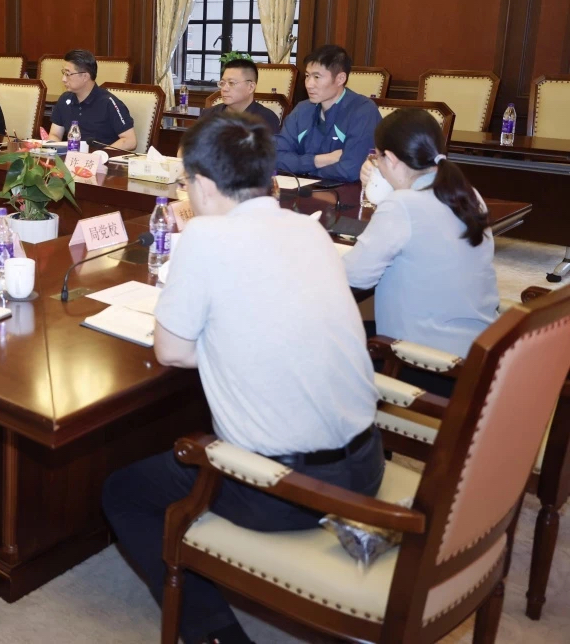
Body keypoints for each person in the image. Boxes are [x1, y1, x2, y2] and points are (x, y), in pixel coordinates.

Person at [102, 111, 381, 644]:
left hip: (283, 491)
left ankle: (215, 634)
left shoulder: (207, 238)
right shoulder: (310, 228)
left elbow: (172, 351)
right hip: (366, 465)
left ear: (202, 185)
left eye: (186, 181)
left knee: (123, 491)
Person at [345, 108, 497, 385]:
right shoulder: (468, 194)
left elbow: (355, 276)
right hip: (477, 354)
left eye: (377, 157)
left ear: (390, 158)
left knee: (328, 341)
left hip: (424, 365)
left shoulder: (401, 206)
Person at [275, 44, 381, 182]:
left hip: (346, 194)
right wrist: (321, 160)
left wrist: (304, 169)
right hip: (302, 190)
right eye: (307, 76)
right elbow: (275, 157)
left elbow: (351, 169)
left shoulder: (363, 111)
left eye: (317, 77)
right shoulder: (302, 110)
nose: (309, 84)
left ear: (340, 79)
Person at [48, 49, 137, 150]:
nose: (63, 79)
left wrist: (101, 155)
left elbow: (130, 141)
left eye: (68, 74)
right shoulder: (64, 99)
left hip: (102, 162)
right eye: (63, 73)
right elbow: (55, 134)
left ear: (85, 76)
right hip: (71, 160)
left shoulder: (108, 103)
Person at [199, 57, 280, 132]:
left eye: (231, 83)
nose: (224, 89)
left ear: (251, 87)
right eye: (222, 83)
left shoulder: (266, 119)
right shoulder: (208, 114)